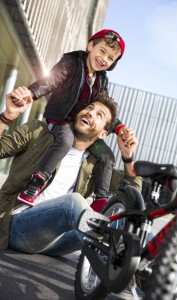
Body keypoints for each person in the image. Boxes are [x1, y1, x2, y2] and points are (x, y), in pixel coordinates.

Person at [0, 90, 142, 253]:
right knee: (72, 202)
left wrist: (128, 157)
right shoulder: (39, 131)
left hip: (57, 241)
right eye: (89, 108)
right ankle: (115, 251)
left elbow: (133, 194)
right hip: (16, 226)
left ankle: (145, 263)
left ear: (103, 134)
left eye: (99, 115)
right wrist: (7, 116)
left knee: (126, 222)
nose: (90, 113)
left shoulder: (96, 164)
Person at [12, 29, 129, 211]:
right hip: (62, 119)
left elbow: (104, 108)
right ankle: (36, 182)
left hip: (81, 125)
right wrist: (32, 92)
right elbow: (51, 80)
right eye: (102, 51)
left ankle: (100, 198)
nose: (104, 59)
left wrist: (119, 127)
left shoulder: (101, 79)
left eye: (110, 58)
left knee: (107, 155)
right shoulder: (72, 62)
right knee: (65, 141)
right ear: (91, 46)